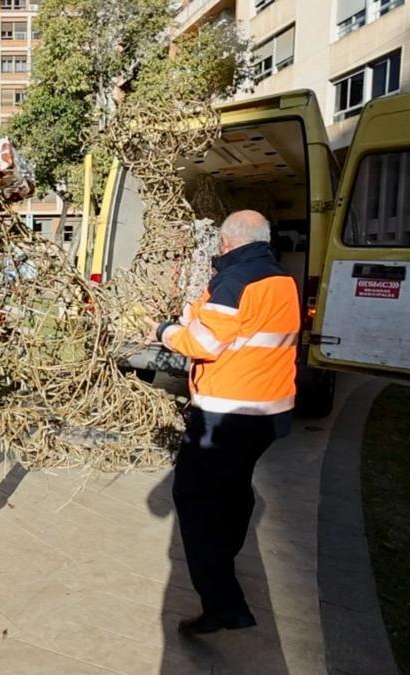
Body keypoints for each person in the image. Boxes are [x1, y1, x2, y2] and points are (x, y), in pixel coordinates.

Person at [144, 210, 300, 635]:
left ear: (227, 243)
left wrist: (163, 330)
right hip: (269, 414)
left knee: (193, 500)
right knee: (235, 491)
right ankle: (225, 555)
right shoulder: (281, 280)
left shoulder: (234, 280)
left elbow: (202, 343)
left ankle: (222, 601)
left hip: (225, 415)